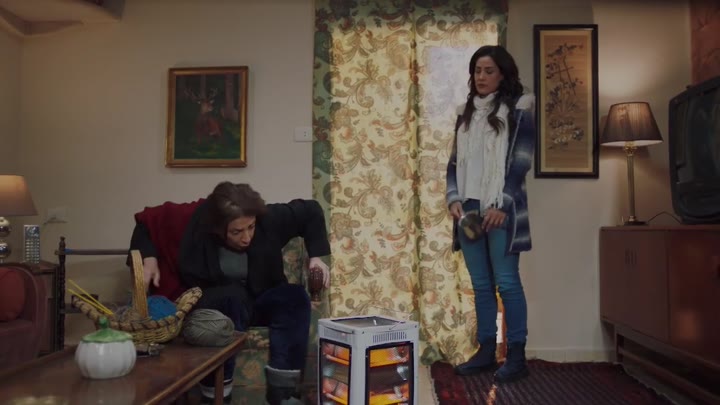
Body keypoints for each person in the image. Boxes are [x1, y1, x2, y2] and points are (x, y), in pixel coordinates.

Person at [128, 182, 331, 404]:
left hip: (261, 297)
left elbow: (311, 211)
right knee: (232, 298)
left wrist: (316, 258)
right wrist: (149, 257)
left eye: (251, 227)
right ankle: (216, 396)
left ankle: (283, 393)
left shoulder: (269, 218)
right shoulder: (195, 222)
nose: (247, 237)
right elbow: (146, 223)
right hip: (219, 304)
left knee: (294, 297)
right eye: (237, 231)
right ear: (218, 228)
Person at [445, 45, 535, 383]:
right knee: (481, 284)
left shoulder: (520, 108)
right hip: (468, 209)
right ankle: (485, 351)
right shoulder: (464, 113)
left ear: (503, 74)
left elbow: (521, 161)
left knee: (507, 282)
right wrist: (453, 198)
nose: (481, 77)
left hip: (502, 207)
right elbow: (454, 163)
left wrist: (503, 204)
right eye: (477, 71)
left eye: (488, 71)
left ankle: (516, 356)